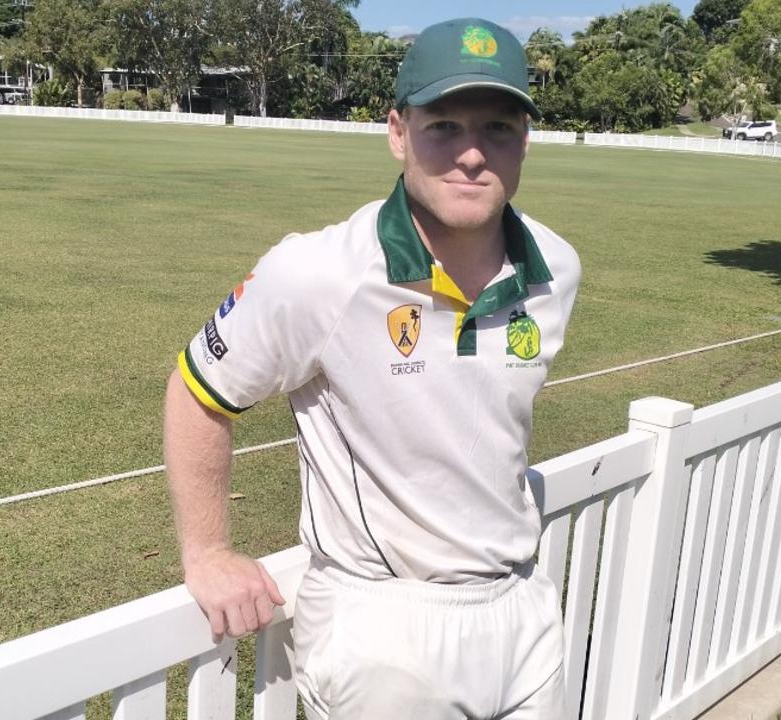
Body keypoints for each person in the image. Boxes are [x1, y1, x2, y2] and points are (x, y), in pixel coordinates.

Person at [163, 17, 581, 719]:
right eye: (444, 126)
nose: (473, 154)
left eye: (498, 129)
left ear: (524, 142)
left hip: (523, 609)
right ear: (397, 132)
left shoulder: (555, 268)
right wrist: (207, 553)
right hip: (386, 626)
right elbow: (198, 391)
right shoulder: (321, 271)